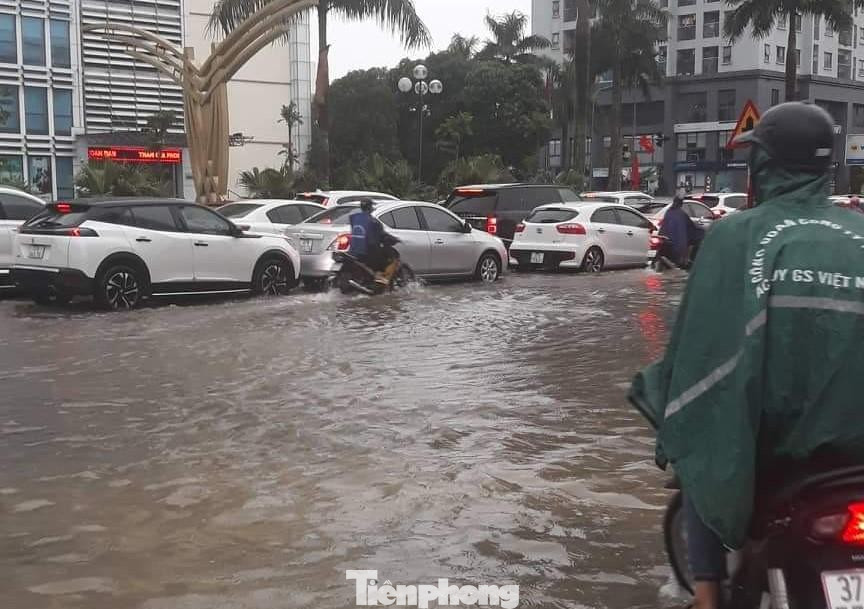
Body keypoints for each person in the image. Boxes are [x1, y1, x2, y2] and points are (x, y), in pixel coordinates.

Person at [629, 102, 864, 609]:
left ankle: (708, 592)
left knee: (700, 436)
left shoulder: (736, 235)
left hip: (784, 462)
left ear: (766, 165)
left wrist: (665, 390)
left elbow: (701, 355)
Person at [348, 199, 398, 285]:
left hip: (353, 251)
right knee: (391, 257)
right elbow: (382, 235)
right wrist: (393, 239)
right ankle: (382, 280)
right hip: (369, 252)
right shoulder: (373, 222)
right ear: (370, 208)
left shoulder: (354, 218)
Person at [657, 197, 704, 269]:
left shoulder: (669, 212)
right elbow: (688, 228)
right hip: (676, 245)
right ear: (681, 204)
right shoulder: (681, 214)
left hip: (665, 241)